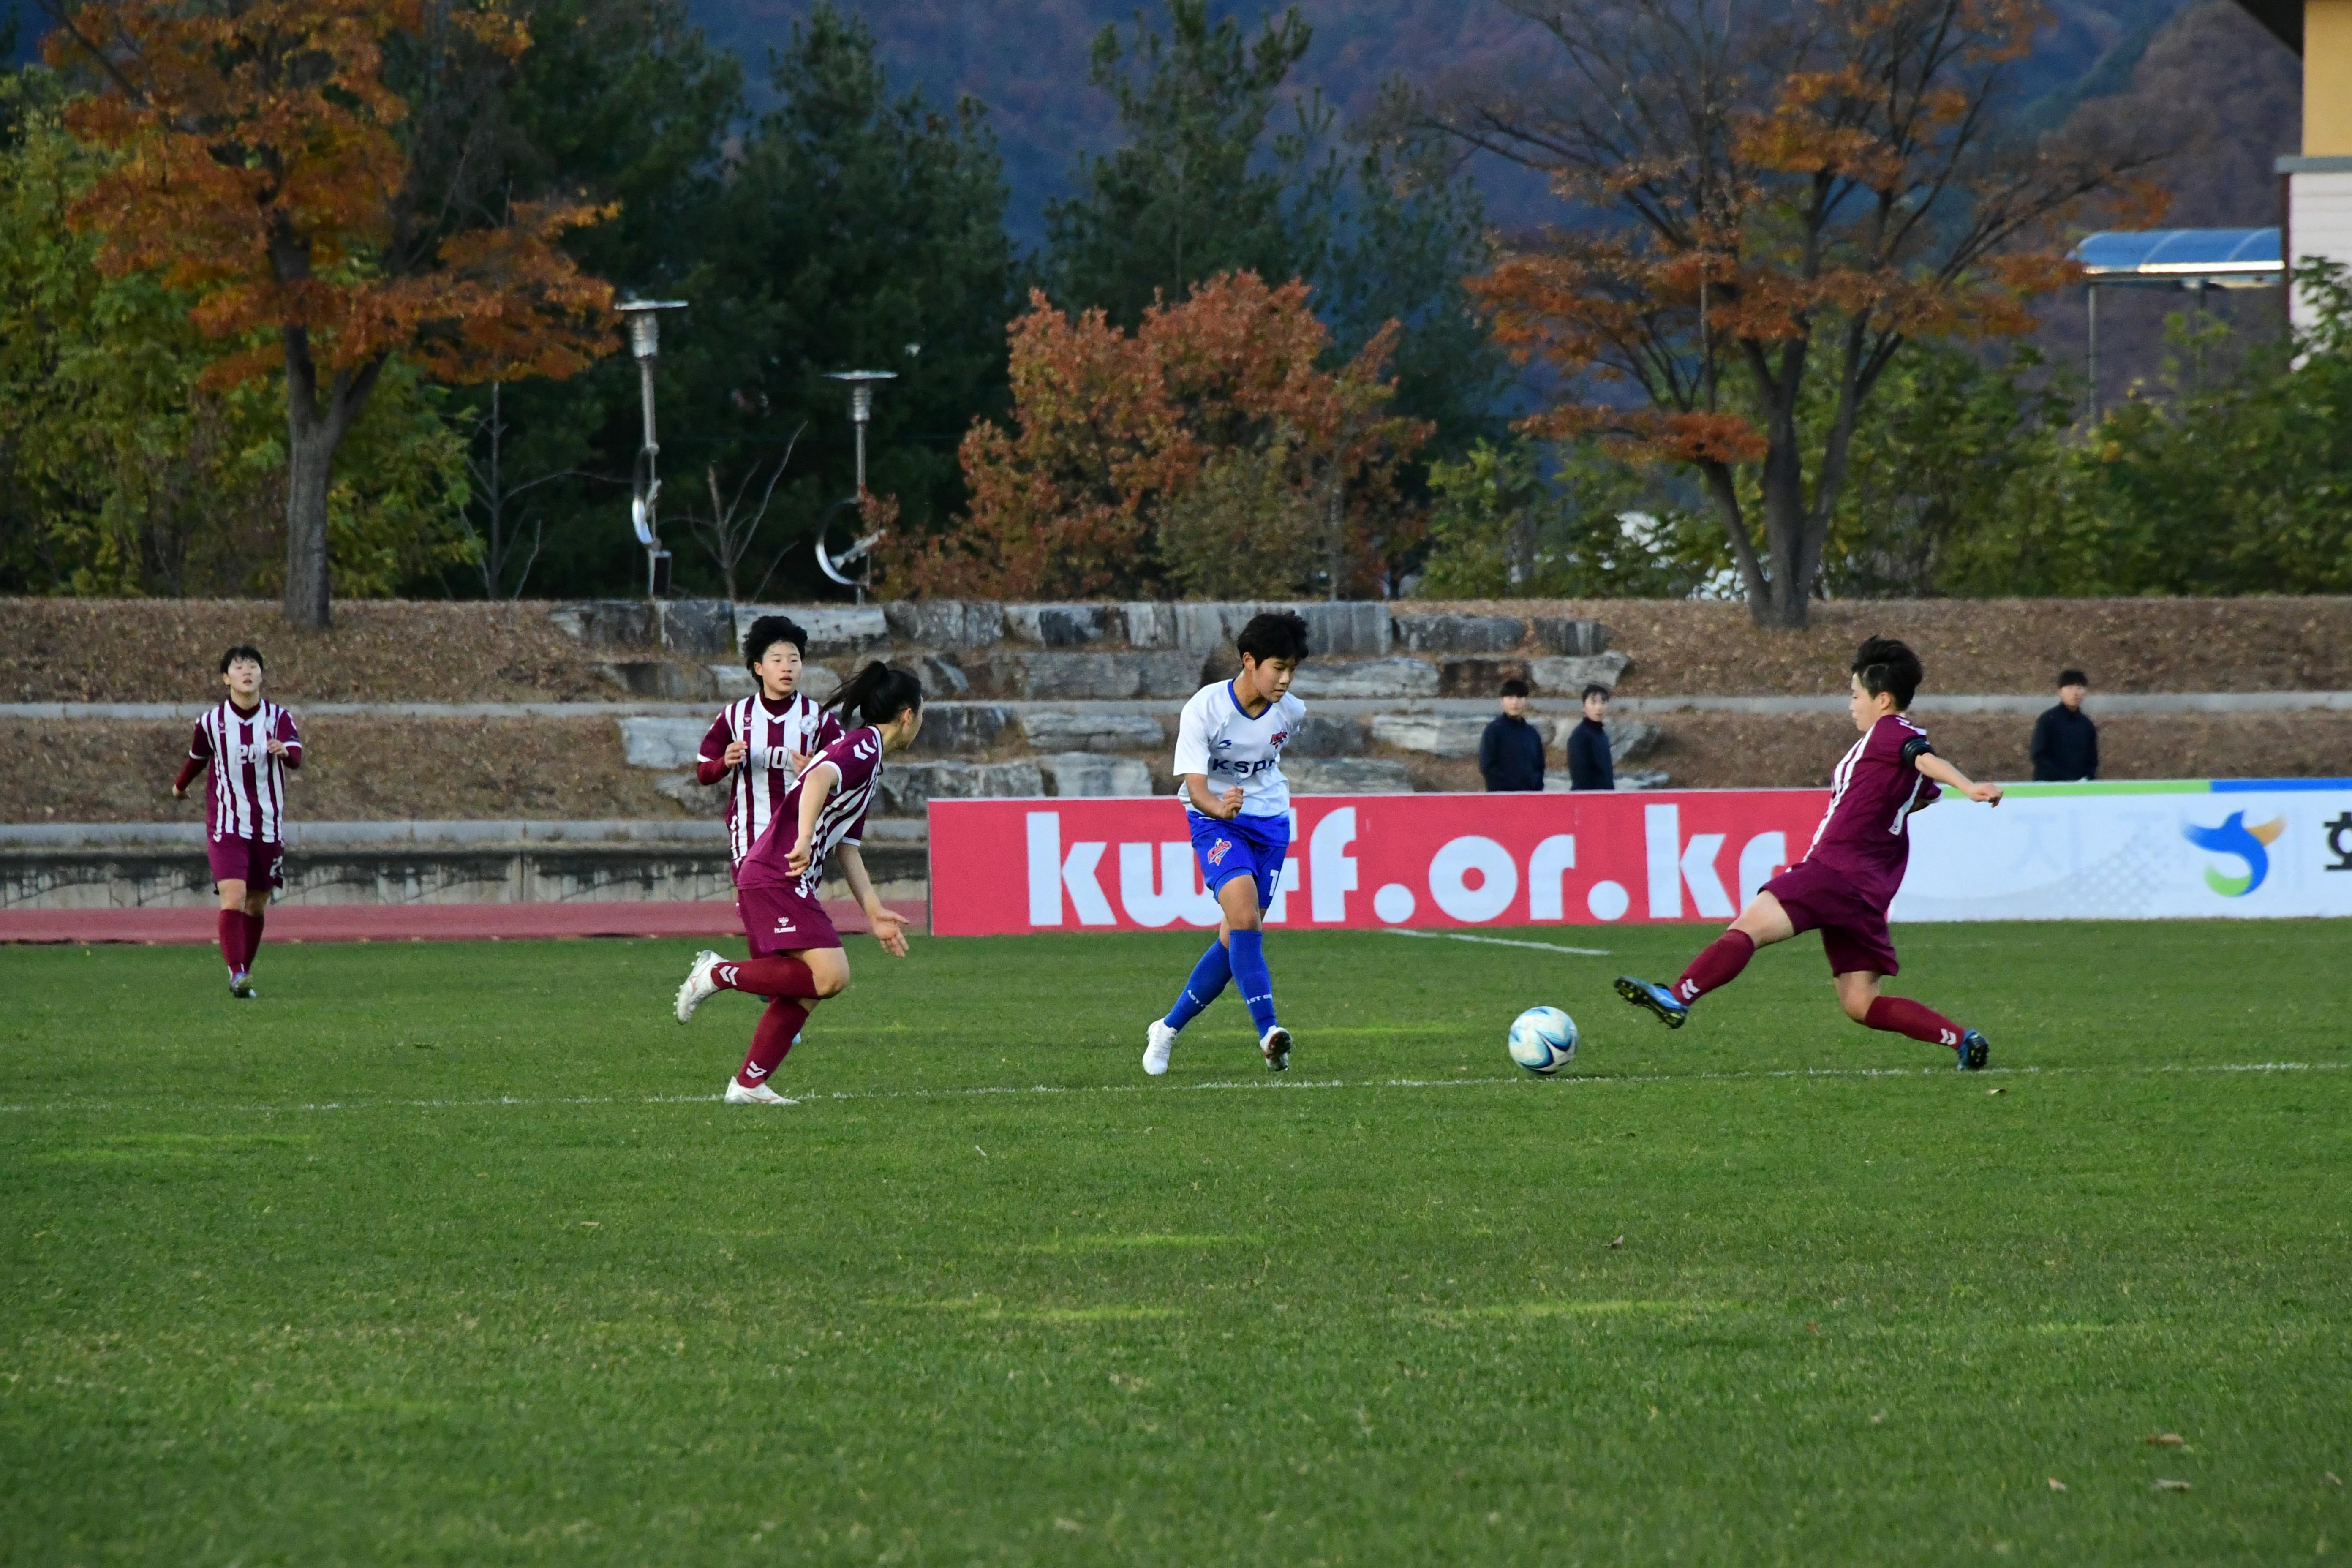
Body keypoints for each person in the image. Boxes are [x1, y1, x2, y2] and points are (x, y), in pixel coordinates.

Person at [1614, 636, 2004, 1071]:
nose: (1851, 704)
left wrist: (1968, 786)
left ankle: (1679, 995)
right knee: (1861, 1002)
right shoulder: (1890, 750)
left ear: (1884, 699)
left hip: (1834, 871)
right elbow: (1922, 789)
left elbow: (1923, 758)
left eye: (1856, 696)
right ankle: (1961, 1039)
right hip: (1867, 892)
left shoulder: (1893, 732)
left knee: (1750, 927)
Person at [672, 663, 924, 1104]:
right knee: (832, 974)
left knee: (810, 984)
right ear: (908, 715)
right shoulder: (864, 746)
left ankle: (748, 1084)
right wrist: (805, 837)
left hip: (782, 873)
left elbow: (847, 844)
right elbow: (820, 780)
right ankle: (715, 973)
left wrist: (874, 911)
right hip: (778, 870)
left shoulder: (869, 758)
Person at [1143, 610, 1311, 1078]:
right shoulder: (1205, 709)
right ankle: (1269, 1031)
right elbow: (1196, 786)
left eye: (1293, 669)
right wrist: (1221, 808)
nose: (1286, 679)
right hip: (1216, 822)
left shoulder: (1291, 712)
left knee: (1234, 937)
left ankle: (1168, 1028)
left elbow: (1266, 762)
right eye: (1278, 667)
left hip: (1272, 825)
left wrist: (1249, 800)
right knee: (1244, 917)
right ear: (1249, 660)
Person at [172, 645, 301, 999]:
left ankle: (244, 971)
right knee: (234, 896)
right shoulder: (211, 723)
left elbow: (297, 757)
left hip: (268, 826)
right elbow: (197, 758)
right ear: (226, 678)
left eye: (254, 666)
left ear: (262, 675)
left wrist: (285, 752)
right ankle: (237, 973)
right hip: (227, 825)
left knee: (257, 905)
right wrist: (180, 786)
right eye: (239, 667)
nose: (247, 672)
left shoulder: (279, 718)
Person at [695, 615, 844, 874]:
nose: (787, 668)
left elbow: (847, 773)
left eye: (794, 660)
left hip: (800, 833)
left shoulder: (819, 718)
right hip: (750, 831)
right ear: (759, 667)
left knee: (793, 908)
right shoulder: (736, 715)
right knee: (755, 900)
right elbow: (704, 772)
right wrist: (724, 763)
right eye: (777, 661)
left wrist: (817, 772)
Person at [2030, 668, 2098, 782]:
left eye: (2080, 688)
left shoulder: (2087, 725)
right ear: (2060, 692)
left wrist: (2086, 778)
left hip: (2079, 787)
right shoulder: (2047, 720)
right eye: (2070, 688)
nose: (2075, 693)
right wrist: (2063, 779)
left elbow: (2092, 759)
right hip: (2049, 786)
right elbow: (2038, 755)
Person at [1478, 679, 1545, 792]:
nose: (1515, 703)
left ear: (1527, 701)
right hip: (1502, 798)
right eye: (1510, 697)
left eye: (1520, 698)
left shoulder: (1532, 733)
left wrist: (1536, 784)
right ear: (1502, 701)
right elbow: (1487, 766)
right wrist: (1512, 787)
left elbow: (1539, 766)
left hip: (1530, 797)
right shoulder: (1494, 730)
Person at [1566, 683, 1615, 791]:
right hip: (1588, 799)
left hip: (1606, 797)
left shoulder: (1602, 735)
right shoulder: (1580, 736)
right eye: (1593, 703)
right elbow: (1580, 777)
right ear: (1584, 707)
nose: (1599, 707)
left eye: (1603, 703)